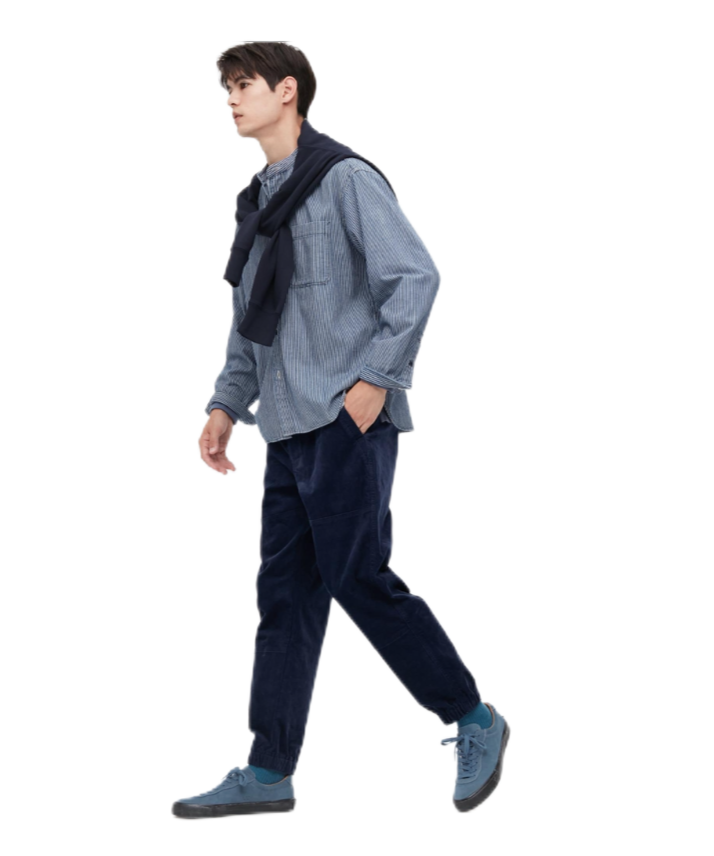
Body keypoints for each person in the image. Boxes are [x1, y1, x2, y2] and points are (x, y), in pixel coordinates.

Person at [172, 41, 509, 819]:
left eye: (244, 85)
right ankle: (269, 769)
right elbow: (251, 322)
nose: (232, 99)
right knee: (285, 596)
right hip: (288, 427)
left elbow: (414, 277)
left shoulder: (345, 179)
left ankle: (473, 717)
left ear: (288, 91)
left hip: (346, 421)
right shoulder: (257, 204)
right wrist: (224, 405)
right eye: (227, 87)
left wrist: (374, 380)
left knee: (357, 576)